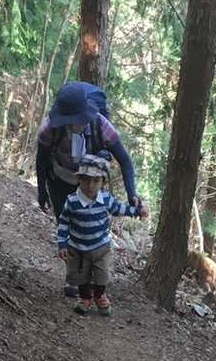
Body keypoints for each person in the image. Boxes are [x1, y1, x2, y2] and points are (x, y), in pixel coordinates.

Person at [36, 80, 141, 226]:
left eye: (77, 120)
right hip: (59, 181)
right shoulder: (49, 128)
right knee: (63, 222)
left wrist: (132, 193)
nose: (74, 125)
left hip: (90, 184)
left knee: (88, 226)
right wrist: (42, 191)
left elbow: (125, 161)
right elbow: (41, 160)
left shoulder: (101, 125)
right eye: (68, 121)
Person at [57, 155, 147, 318]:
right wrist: (62, 244)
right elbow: (64, 222)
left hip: (101, 247)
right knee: (81, 276)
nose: (90, 185)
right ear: (79, 179)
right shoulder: (72, 201)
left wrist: (137, 211)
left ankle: (99, 295)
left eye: (96, 181)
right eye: (86, 180)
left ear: (103, 182)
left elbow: (119, 209)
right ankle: (85, 297)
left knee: (102, 275)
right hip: (78, 248)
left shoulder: (105, 199)